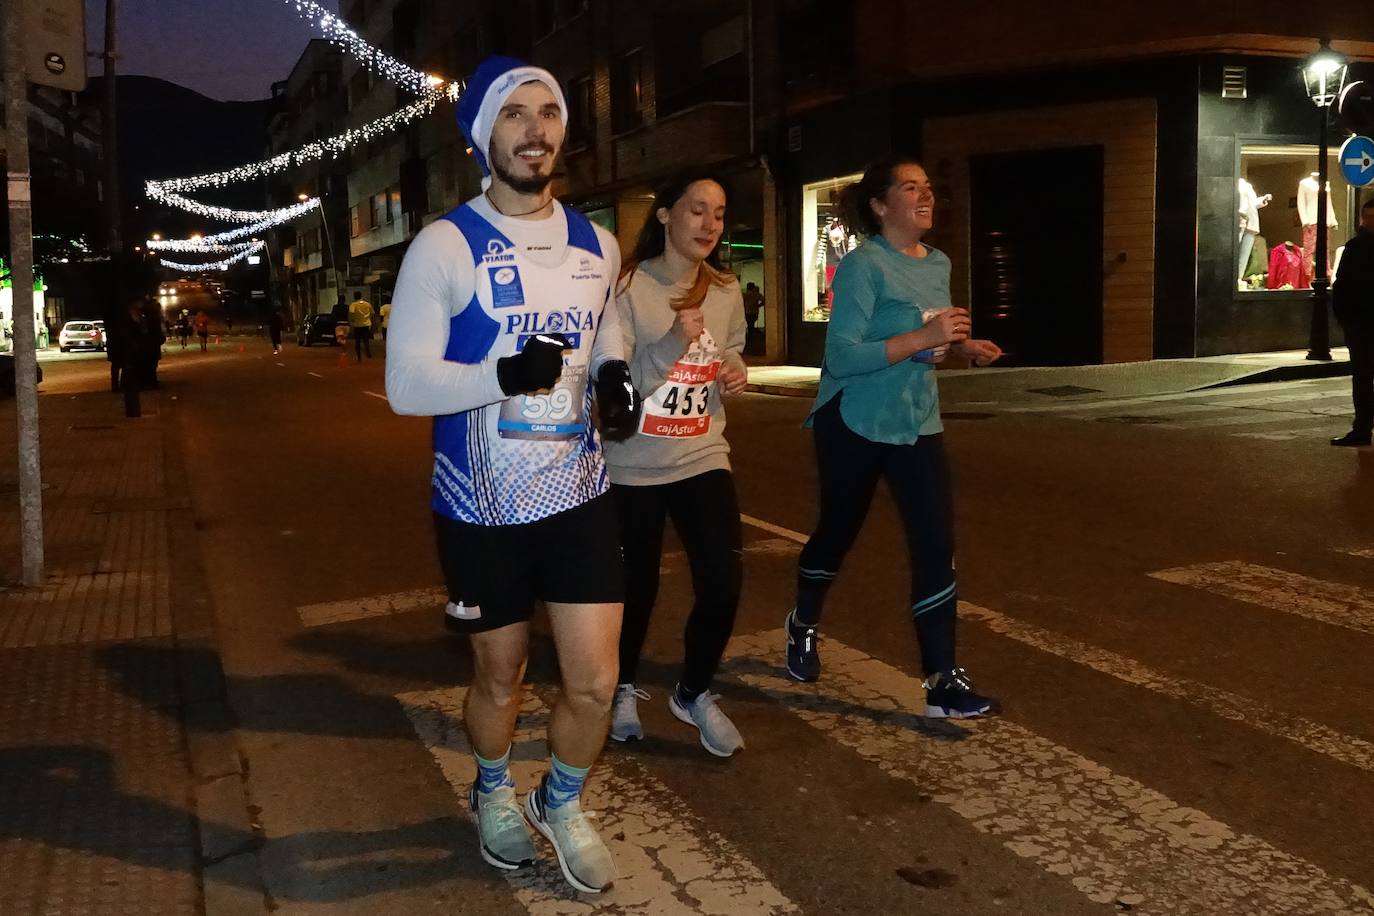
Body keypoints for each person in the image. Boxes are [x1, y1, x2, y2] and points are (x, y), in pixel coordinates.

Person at [385, 55, 641, 894]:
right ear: (482, 136)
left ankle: (559, 803)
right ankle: (492, 786)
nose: (536, 129)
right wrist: (505, 375)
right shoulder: (444, 245)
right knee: (501, 674)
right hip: (480, 504)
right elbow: (406, 386)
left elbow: (607, 329)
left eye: (549, 113)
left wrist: (611, 372)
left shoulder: (596, 243)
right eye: (515, 115)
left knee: (596, 680)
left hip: (578, 492)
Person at [783, 159, 1005, 719]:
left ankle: (942, 681)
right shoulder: (862, 267)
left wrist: (958, 347)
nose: (925, 196)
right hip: (854, 420)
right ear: (881, 206)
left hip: (916, 420)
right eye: (911, 189)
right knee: (837, 534)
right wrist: (924, 337)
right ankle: (804, 620)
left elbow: (925, 339)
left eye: (929, 188)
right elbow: (841, 356)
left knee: (935, 543)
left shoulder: (938, 263)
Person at [604, 170, 749, 757]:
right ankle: (619, 686)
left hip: (701, 451)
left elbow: (730, 345)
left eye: (717, 213)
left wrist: (735, 367)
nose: (709, 224)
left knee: (723, 580)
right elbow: (616, 379)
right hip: (635, 462)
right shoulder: (627, 288)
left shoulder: (725, 288)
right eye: (696, 210)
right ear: (664, 215)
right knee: (635, 589)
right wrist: (670, 343)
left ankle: (692, 692)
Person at [1331, 198, 1374, 448]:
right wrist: (1344, 317)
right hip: (1359, 324)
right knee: (1362, 378)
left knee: (1363, 377)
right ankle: (1361, 428)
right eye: (1367, 217)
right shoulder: (1354, 247)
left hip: (1361, 321)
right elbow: (1342, 284)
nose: (1370, 222)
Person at [348, 293, 374, 361]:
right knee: (366, 340)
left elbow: (351, 313)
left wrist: (351, 321)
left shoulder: (353, 304)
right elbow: (372, 313)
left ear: (354, 297)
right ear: (361, 296)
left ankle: (359, 356)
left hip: (357, 325)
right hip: (366, 325)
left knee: (357, 341)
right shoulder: (367, 304)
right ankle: (368, 353)